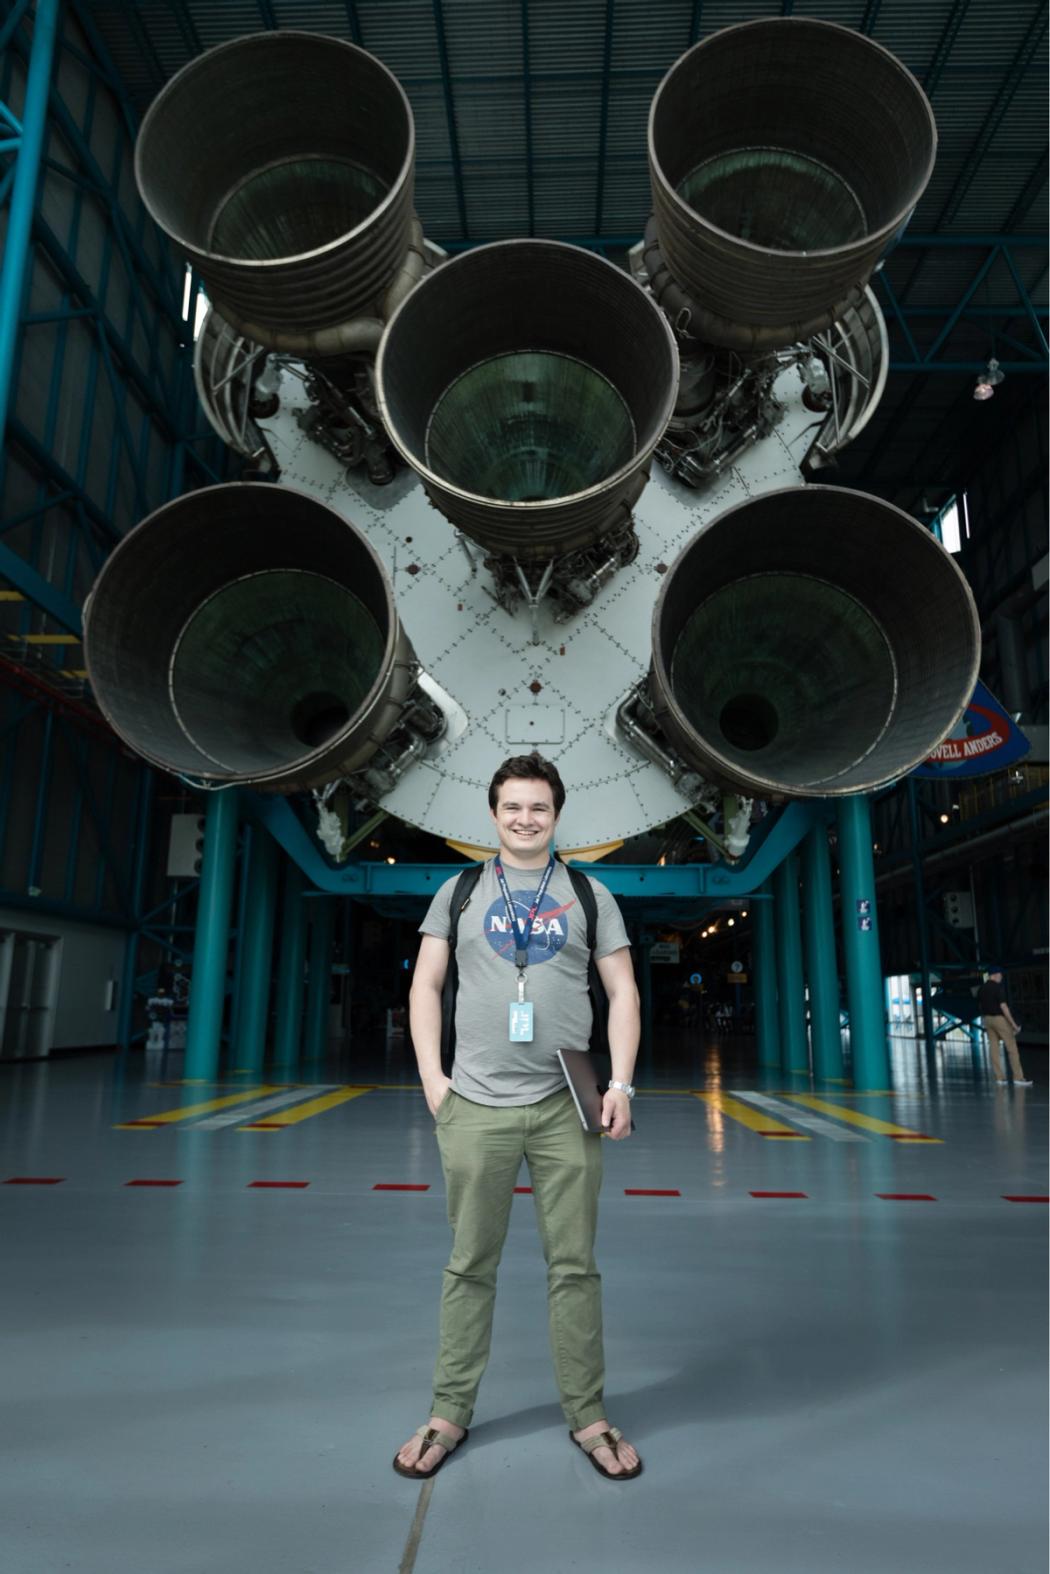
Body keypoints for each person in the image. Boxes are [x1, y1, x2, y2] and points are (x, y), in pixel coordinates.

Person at [393, 751, 643, 1483]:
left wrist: (621, 1084)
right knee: (468, 1265)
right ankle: (448, 1410)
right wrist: (435, 1080)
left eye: (538, 807)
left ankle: (588, 1414)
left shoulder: (591, 895)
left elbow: (623, 993)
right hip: (475, 1104)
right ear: (494, 815)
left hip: (569, 1108)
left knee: (575, 1269)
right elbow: (426, 985)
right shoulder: (461, 890)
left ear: (557, 815)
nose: (525, 819)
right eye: (512, 807)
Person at [977, 967, 1031, 1085]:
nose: (1001, 977)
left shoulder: (981, 988)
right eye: (1000, 974)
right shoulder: (997, 988)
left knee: (994, 1048)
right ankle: (1018, 1077)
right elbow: (1003, 1007)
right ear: (995, 975)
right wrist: (1013, 1024)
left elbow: (980, 1006)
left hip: (987, 1019)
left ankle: (999, 1078)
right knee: (1012, 1048)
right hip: (999, 1019)